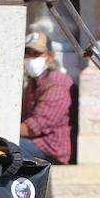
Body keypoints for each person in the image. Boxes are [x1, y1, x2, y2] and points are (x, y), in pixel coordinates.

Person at [20, 31, 75, 164]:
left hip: (51, 150)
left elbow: (34, 128)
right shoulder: (33, 83)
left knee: (2, 146)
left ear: (50, 57)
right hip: (34, 143)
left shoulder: (57, 83)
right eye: (28, 53)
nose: (31, 59)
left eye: (37, 54)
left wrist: (0, 130)